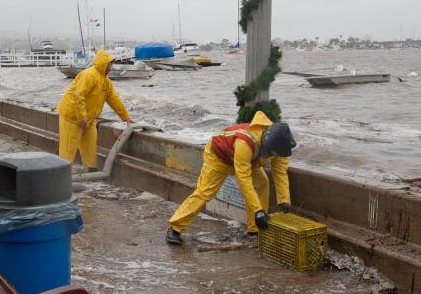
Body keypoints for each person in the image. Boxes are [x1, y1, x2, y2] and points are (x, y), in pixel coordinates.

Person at [166, 110, 296, 245]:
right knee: (205, 192)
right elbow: (244, 179)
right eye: (271, 152)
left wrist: (284, 199)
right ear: (267, 143)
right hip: (219, 157)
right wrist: (258, 210)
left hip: (248, 160)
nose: (273, 155)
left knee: (262, 183)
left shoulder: (282, 148)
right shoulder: (245, 142)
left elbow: (280, 172)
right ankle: (175, 228)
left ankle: (254, 229)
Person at [56, 50, 134, 170]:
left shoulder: (105, 81)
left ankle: (91, 172)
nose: (111, 67)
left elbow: (114, 99)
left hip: (89, 119)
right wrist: (81, 117)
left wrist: (126, 118)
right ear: (104, 63)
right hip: (71, 117)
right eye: (110, 64)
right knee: (67, 150)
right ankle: (61, 177)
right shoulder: (88, 75)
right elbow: (78, 95)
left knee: (90, 148)